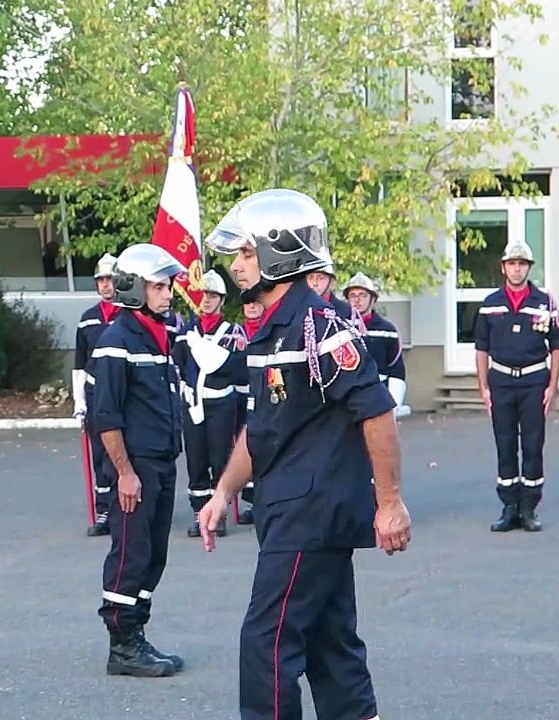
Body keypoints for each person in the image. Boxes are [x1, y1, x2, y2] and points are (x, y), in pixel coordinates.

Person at [196, 188, 411, 720]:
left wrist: (390, 503)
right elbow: (263, 426)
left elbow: (376, 411)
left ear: (280, 253)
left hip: (308, 515)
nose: (237, 267)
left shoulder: (323, 326)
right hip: (291, 511)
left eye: (247, 254)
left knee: (265, 645)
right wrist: (224, 490)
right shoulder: (270, 330)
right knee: (330, 645)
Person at [90, 242, 188, 678]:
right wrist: (125, 474)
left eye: (168, 287)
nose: (169, 294)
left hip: (162, 463)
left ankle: (137, 635)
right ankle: (122, 645)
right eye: (160, 287)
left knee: (154, 555)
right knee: (130, 553)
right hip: (137, 468)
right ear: (134, 289)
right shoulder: (116, 341)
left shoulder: (158, 337)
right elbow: (105, 417)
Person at [473, 240, 559, 533]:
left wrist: (552, 386)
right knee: (505, 444)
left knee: (533, 445)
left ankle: (529, 508)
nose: (517, 269)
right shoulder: (490, 305)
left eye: (522, 264)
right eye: (512, 264)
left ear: (529, 268)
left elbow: (558, 346)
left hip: (534, 381)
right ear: (503, 268)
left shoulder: (544, 302)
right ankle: (509, 507)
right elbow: (481, 348)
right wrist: (483, 388)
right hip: (501, 382)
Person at [172, 270, 249, 538]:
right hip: (194, 404)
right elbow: (179, 364)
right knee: (196, 461)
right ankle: (199, 512)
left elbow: (235, 368)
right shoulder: (186, 332)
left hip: (221, 405)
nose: (206, 300)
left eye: (212, 295)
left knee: (221, 459)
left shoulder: (233, 332)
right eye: (203, 294)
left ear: (222, 300)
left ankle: (220, 512)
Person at [73, 253, 120, 537]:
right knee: (100, 455)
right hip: (94, 392)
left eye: (109, 279)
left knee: (123, 452)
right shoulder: (87, 319)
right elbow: (79, 363)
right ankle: (105, 509)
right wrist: (79, 401)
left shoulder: (128, 316)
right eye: (100, 280)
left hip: (121, 394)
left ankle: (125, 505)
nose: (105, 285)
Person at [343, 272, 409, 418]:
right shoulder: (338, 328)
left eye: (363, 295)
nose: (357, 300)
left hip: (378, 395)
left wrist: (394, 404)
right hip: (346, 398)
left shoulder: (387, 330)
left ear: (372, 299)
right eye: (353, 295)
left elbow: (396, 370)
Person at [235, 300, 265, 526]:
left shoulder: (270, 329)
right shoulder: (236, 333)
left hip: (265, 395)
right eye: (248, 304)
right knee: (242, 447)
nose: (252, 307)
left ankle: (261, 501)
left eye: (256, 303)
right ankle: (251, 501)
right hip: (239, 398)